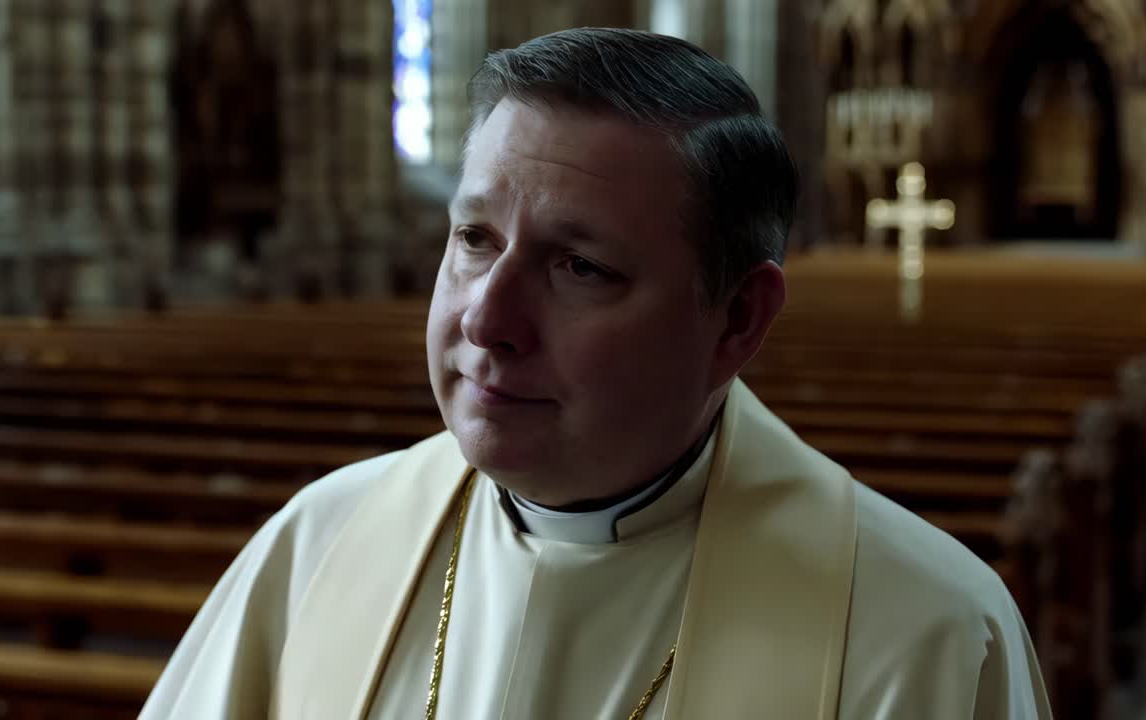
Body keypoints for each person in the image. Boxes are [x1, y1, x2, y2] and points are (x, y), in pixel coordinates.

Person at [141, 28, 1053, 719]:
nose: (485, 320)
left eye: (579, 267)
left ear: (737, 319)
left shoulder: (921, 632)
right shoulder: (318, 546)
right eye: (473, 240)